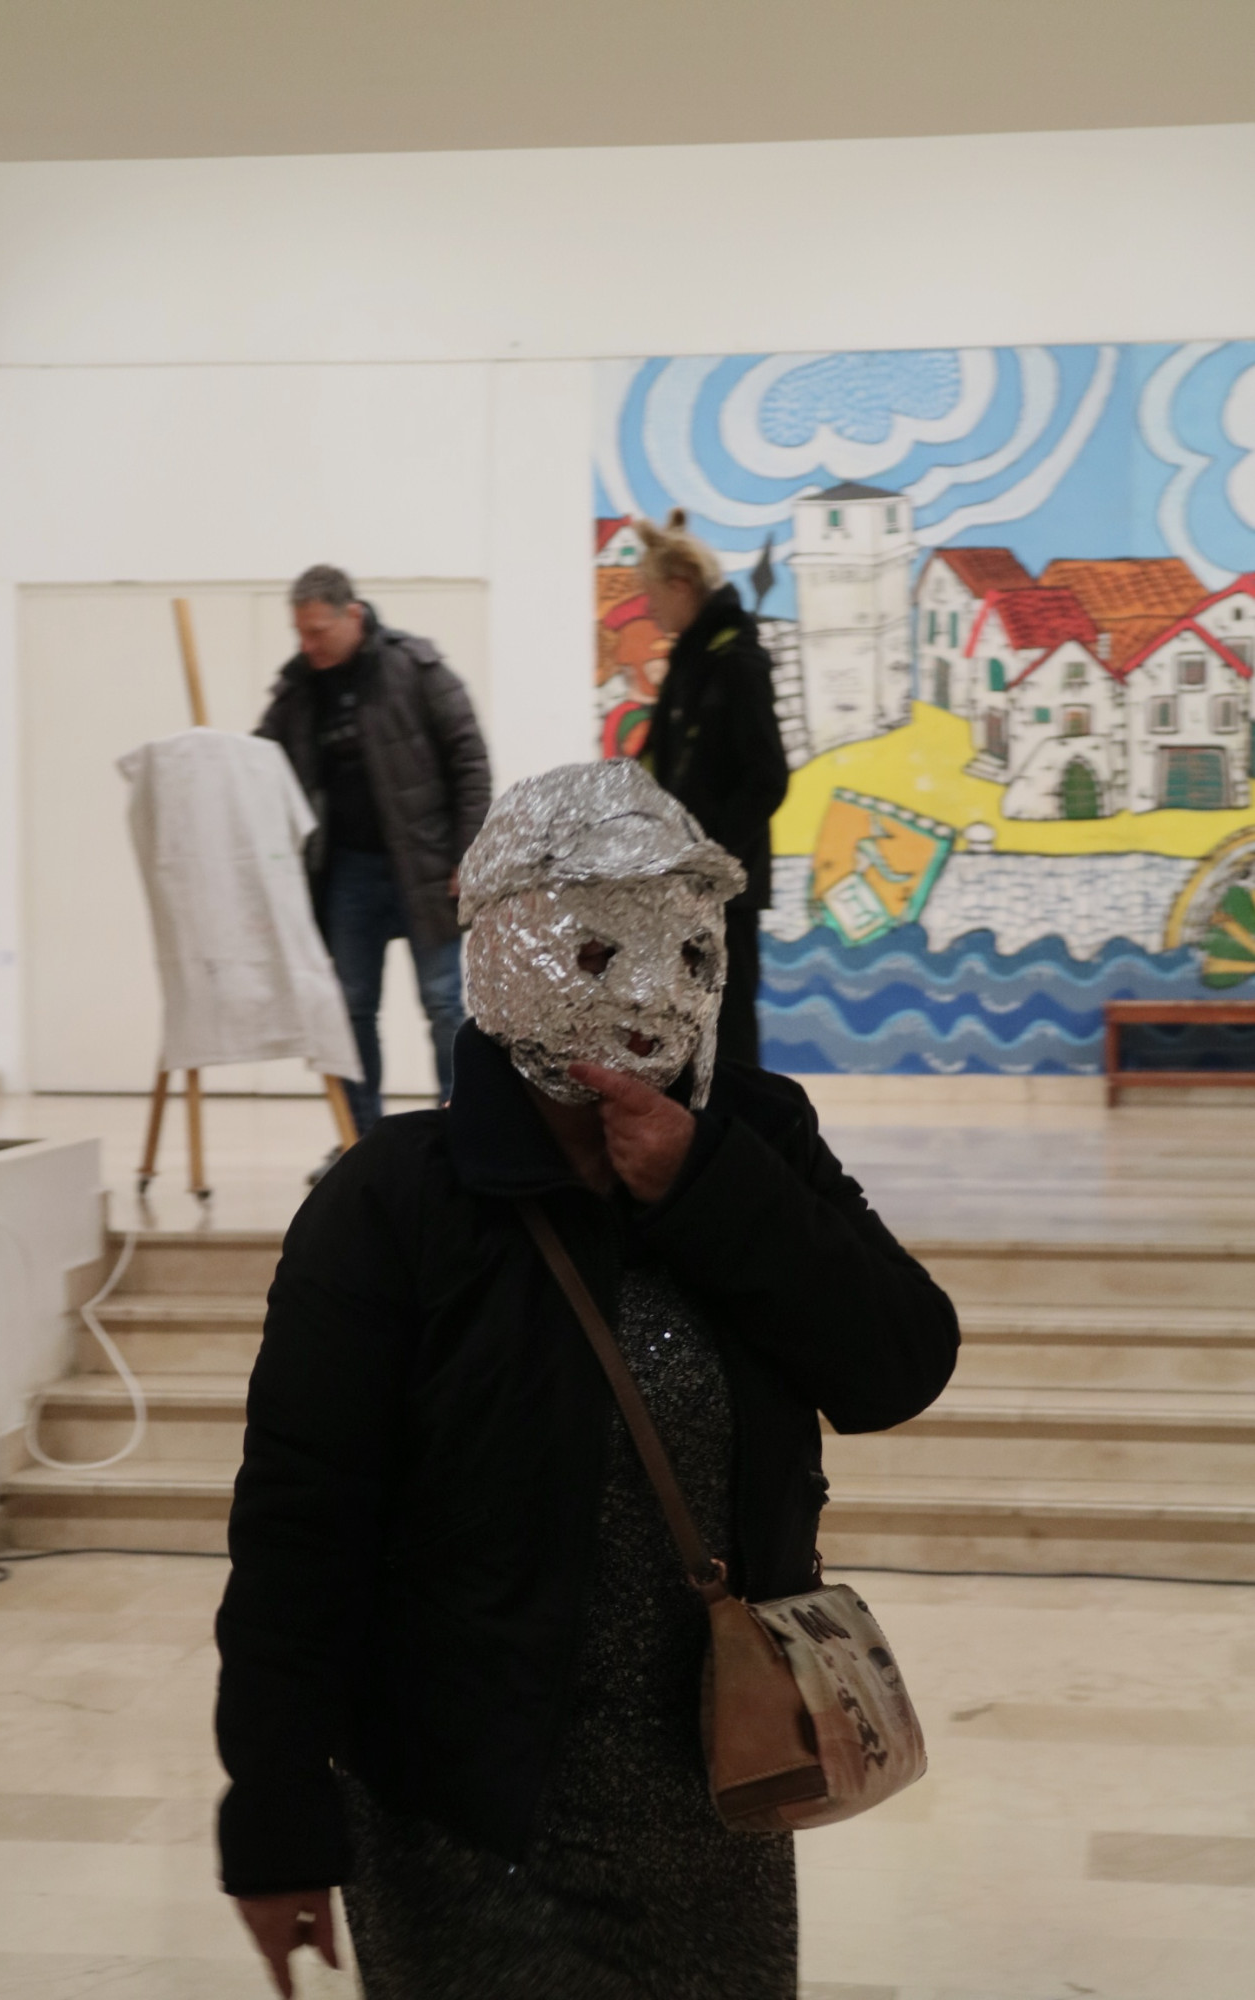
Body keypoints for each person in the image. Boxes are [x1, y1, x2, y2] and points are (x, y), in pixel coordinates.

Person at [215, 759, 959, 2000]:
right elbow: (301, 1524)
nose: (655, 995)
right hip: (468, 1811)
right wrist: (277, 1812)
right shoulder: (395, 1201)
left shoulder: (758, 1138)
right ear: (508, 957)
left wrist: (706, 1185)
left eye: (689, 952)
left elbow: (896, 1363)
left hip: (717, 1786)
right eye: (601, 953)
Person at [256, 564, 491, 1138]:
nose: (308, 645)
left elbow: (470, 761)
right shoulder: (298, 690)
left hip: (425, 867)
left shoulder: (416, 669)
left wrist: (468, 853)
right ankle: (361, 1140)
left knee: (443, 1003)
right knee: (350, 1009)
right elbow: (255, 765)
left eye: (318, 632)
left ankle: (460, 1129)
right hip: (346, 875)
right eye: (300, 633)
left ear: (353, 616)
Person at [636, 509, 788, 1066]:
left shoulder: (736, 662)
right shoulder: (691, 661)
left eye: (652, 595)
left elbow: (768, 778)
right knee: (684, 1027)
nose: (648, 609)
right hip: (680, 886)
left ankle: (739, 1121)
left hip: (723, 889)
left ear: (681, 586)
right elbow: (656, 764)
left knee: (729, 1030)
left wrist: (711, 858)